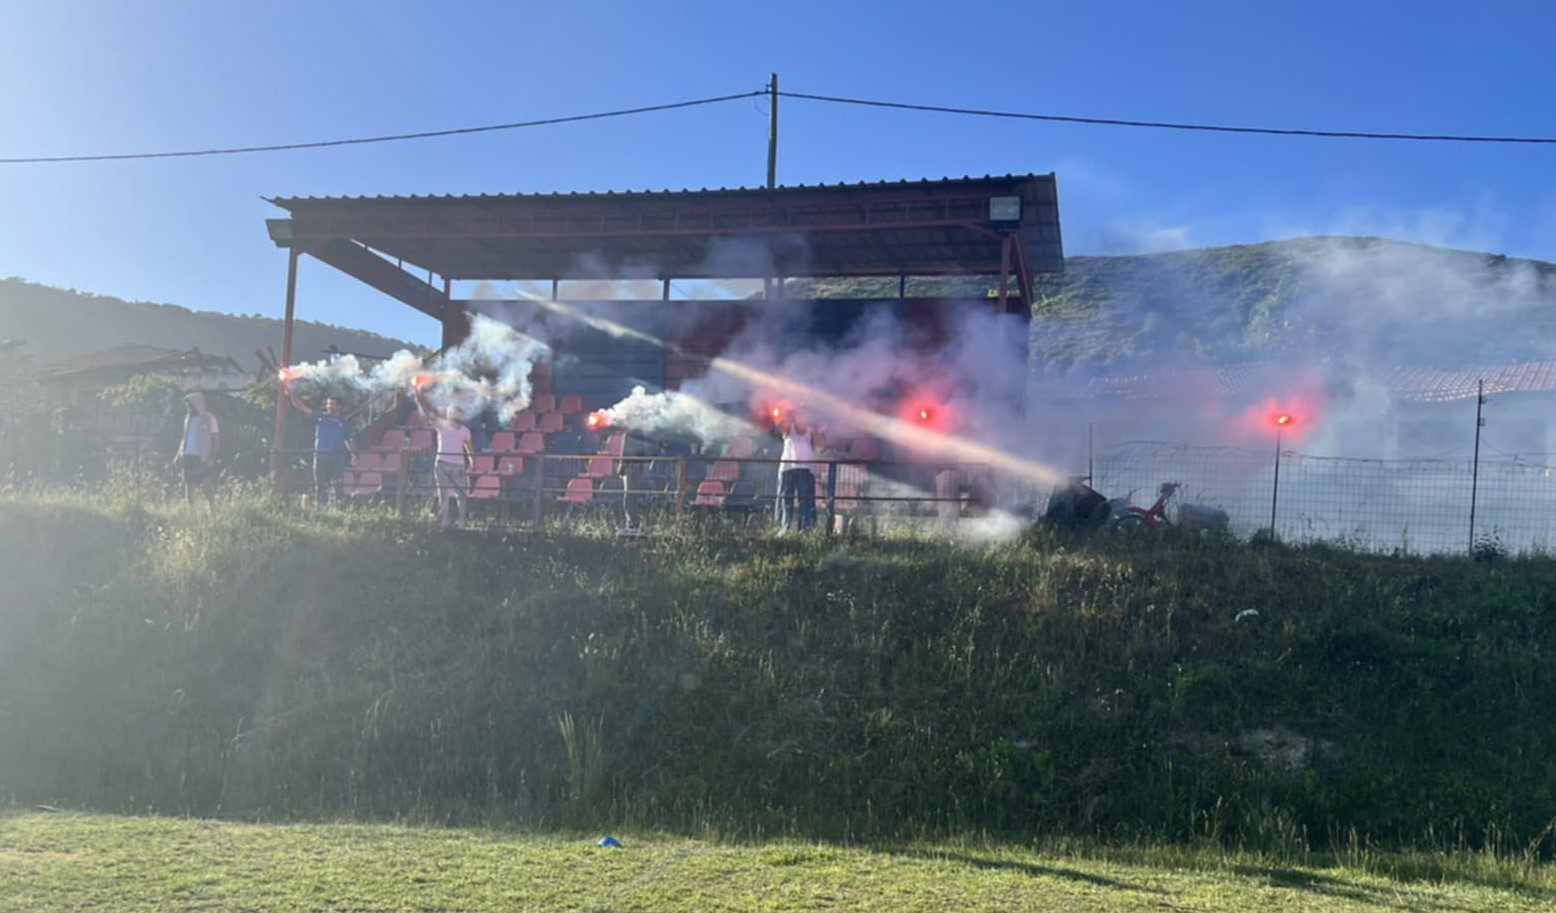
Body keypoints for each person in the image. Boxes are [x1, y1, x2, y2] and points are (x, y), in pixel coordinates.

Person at [284, 387, 355, 507]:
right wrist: (291, 395)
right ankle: (321, 510)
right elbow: (302, 408)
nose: (328, 406)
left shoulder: (344, 423)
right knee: (320, 486)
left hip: (337, 459)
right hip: (321, 457)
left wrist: (354, 455)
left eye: (332, 404)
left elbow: (348, 441)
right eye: (328, 404)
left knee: (338, 486)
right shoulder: (321, 417)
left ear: (339, 406)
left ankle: (340, 510)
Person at [414, 387, 473, 530]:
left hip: (456, 466)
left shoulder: (464, 430)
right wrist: (420, 399)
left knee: (460, 496)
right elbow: (428, 414)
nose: (455, 414)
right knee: (445, 495)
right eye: (453, 412)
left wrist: (472, 461)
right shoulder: (443, 425)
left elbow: (469, 447)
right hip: (444, 465)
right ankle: (447, 523)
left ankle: (461, 523)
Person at [776, 409, 824, 532]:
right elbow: (780, 427)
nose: (801, 417)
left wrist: (818, 432)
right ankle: (783, 528)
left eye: (804, 415)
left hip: (805, 469)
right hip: (788, 469)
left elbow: (821, 446)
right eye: (799, 414)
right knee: (786, 499)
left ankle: (805, 529)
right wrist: (781, 417)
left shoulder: (811, 431)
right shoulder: (789, 428)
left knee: (805, 500)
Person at [173, 392, 219, 507]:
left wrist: (212, 457)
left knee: (206, 483)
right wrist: (179, 454)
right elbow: (184, 438)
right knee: (189, 485)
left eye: (190, 405)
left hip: (202, 455)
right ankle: (192, 514)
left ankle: (212, 510)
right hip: (188, 455)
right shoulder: (187, 419)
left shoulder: (209, 418)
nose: (188, 408)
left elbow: (216, 439)